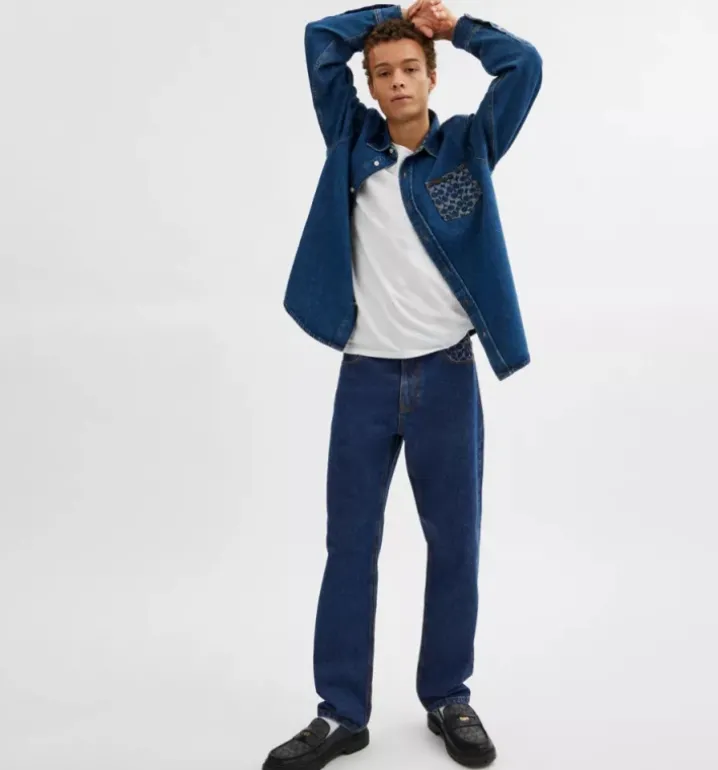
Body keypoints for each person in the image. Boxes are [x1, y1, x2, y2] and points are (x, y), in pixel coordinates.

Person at [263, 2, 542, 768]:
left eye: (409, 70)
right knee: (349, 546)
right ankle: (339, 713)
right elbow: (319, 40)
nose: (396, 83)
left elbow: (525, 67)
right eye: (382, 73)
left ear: (431, 77)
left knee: (454, 544)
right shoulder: (350, 140)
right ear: (371, 84)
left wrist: (450, 26)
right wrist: (391, 17)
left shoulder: (468, 146)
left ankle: (448, 697)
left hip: (446, 377)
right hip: (365, 379)